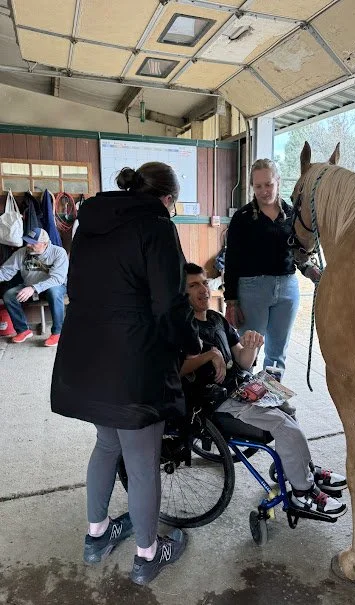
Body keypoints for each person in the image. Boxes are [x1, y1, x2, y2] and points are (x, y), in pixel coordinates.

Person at [51, 162, 200, 586]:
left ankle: (96, 536)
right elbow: (169, 305)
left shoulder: (89, 223)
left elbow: (77, 290)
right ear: (167, 199)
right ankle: (148, 556)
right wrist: (194, 345)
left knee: (105, 445)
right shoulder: (156, 227)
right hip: (133, 364)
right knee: (141, 464)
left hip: (88, 357)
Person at [183, 263, 347, 518]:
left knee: (289, 410)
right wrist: (210, 354)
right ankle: (302, 493)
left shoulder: (216, 318)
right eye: (193, 286)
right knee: (284, 425)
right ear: (182, 295)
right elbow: (176, 369)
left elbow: (242, 361)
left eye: (204, 283)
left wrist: (251, 345)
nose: (203, 289)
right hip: (217, 403)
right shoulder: (184, 329)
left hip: (242, 386)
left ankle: (302, 469)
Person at [224, 158, 321, 372]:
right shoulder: (242, 218)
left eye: (268, 184)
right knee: (248, 350)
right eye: (258, 186)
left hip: (287, 289)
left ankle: (272, 400)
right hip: (252, 290)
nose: (264, 190)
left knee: (277, 353)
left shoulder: (292, 214)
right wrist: (231, 301)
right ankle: (245, 398)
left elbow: (299, 253)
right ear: (252, 187)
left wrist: (312, 271)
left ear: (277, 181)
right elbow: (231, 260)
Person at [0, 227, 68, 347]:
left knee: (54, 292)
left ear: (44, 243)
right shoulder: (22, 252)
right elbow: (6, 271)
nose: (28, 245)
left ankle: (57, 332)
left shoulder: (58, 252)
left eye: (32, 243)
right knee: (9, 295)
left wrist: (34, 288)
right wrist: (31, 288)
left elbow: (58, 279)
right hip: (30, 286)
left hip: (53, 286)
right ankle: (23, 330)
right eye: (27, 241)